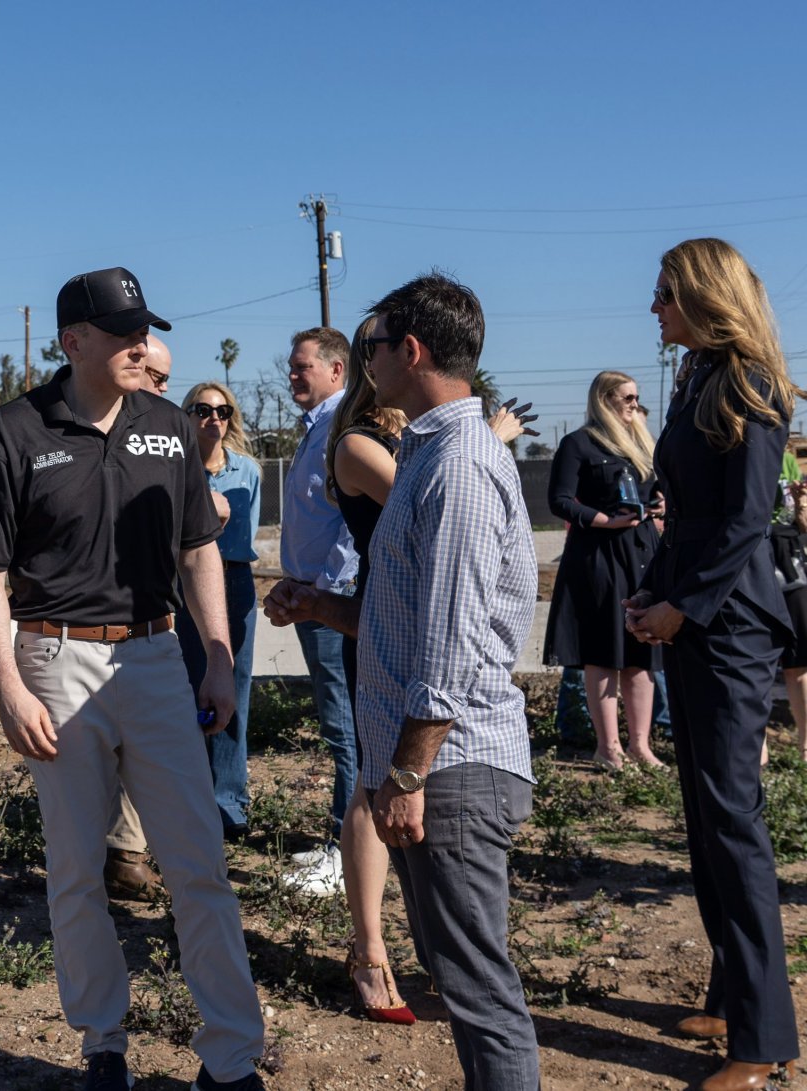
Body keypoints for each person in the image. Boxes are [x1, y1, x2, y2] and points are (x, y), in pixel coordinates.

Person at [0, 266, 265, 1091]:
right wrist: (8, 688)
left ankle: (232, 1060)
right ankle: (104, 1045)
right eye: (123, 332)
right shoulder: (17, 430)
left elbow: (198, 547)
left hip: (158, 658)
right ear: (73, 341)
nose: (141, 345)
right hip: (55, 661)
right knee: (75, 868)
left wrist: (218, 656)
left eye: (145, 330)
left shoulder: (169, 426)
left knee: (198, 860)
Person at [266, 273, 541, 1089]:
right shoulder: (432, 455)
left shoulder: (455, 465)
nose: (365, 364)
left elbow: (451, 645)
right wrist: (323, 604)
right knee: (462, 979)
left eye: (374, 348)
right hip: (443, 765)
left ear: (411, 351)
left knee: (479, 990)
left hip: (451, 768)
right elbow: (416, 618)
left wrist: (409, 772)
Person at [627, 238, 800, 1091]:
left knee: (735, 826)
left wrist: (683, 605)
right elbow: (686, 514)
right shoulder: (695, 376)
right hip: (694, 624)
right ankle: (732, 994)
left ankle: (765, 1043)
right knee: (705, 820)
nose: (653, 305)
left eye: (663, 291)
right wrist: (652, 594)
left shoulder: (753, 383)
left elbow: (742, 522)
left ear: (700, 293)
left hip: (732, 632)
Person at [543, 370, 666, 770]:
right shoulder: (578, 443)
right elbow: (559, 500)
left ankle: (641, 746)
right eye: (627, 398)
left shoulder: (641, 443)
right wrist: (602, 520)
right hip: (598, 557)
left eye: (635, 398)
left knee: (640, 654)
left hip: (641, 555)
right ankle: (607, 746)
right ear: (605, 399)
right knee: (603, 652)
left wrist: (663, 503)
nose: (634, 405)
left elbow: (659, 489)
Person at [280, 327, 359, 895]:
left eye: (301, 366)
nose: (292, 375)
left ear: (336, 370)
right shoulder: (316, 431)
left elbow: (353, 529)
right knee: (341, 728)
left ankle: (347, 855)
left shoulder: (341, 432)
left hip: (332, 605)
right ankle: (346, 841)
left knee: (345, 731)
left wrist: (322, 597)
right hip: (313, 599)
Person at [103, 331, 176, 902]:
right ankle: (123, 854)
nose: (160, 389)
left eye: (166, 380)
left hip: (157, 627)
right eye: (156, 377)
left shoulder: (167, 431)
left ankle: (134, 851)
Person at [175, 381, 261, 840]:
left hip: (234, 580)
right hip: (187, 579)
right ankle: (192, 795)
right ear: (187, 416)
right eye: (203, 409)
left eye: (223, 410)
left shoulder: (247, 471)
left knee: (234, 685)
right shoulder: (176, 470)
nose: (214, 418)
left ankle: (228, 800)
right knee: (190, 685)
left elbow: (245, 541)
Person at [766, 441, 807, 762]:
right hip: (754, 557)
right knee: (757, 664)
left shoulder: (788, 460)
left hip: (789, 564)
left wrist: (799, 501)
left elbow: (799, 521)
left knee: (798, 661)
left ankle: (805, 745)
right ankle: (758, 747)